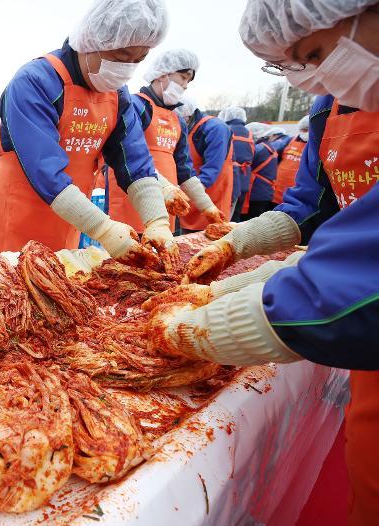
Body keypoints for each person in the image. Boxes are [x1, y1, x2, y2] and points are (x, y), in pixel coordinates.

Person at [178, 2, 379, 523]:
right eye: (298, 65)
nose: (318, 75)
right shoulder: (328, 108)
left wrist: (219, 323)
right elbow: (315, 210)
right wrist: (236, 246)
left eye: (315, 53)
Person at [0, 0, 176, 271]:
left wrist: (157, 221)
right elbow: (44, 169)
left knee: (62, 290)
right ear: (92, 42)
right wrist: (103, 228)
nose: (127, 69)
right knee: (13, 298)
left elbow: (134, 158)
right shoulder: (35, 82)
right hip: (20, 219)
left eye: (139, 60)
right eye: (122, 58)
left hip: (73, 217)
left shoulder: (118, 95)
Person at [108, 48, 225, 233]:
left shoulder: (177, 120)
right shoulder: (135, 107)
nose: (185, 86)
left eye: (188, 81)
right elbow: (129, 156)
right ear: (162, 75)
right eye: (183, 78)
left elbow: (184, 170)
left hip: (166, 205)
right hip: (130, 204)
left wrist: (208, 207)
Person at [175, 96, 235, 233]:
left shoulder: (215, 129)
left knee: (210, 235)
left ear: (187, 116)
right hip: (191, 193)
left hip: (211, 194)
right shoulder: (186, 128)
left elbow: (212, 168)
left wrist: (192, 192)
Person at [219, 106, 256, 221]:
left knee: (225, 212)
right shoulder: (249, 133)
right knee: (237, 213)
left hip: (230, 177)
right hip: (245, 178)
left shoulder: (225, 129)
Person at [240, 122, 279, 218]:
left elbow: (244, 162)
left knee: (249, 222)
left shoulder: (258, 149)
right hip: (266, 191)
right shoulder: (270, 147)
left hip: (255, 193)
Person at [273, 116, 310, 204]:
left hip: (297, 193)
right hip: (277, 190)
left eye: (308, 130)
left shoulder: (316, 146)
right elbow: (276, 158)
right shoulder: (289, 141)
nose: (305, 133)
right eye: (303, 130)